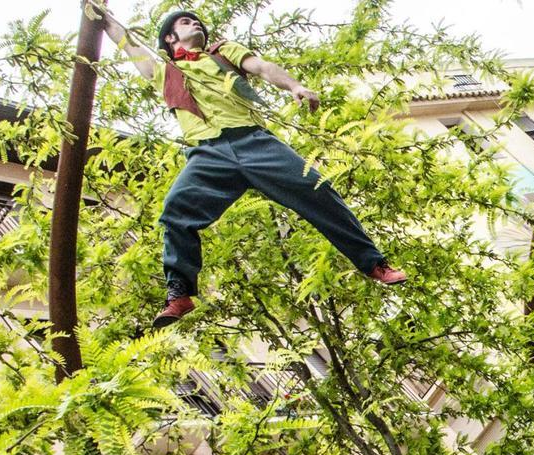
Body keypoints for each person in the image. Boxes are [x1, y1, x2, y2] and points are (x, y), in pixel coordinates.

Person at [90, 5, 407, 327]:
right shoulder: (164, 71)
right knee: (175, 212)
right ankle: (180, 293)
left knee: (318, 189)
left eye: (198, 20)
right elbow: (127, 42)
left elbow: (263, 67)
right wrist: (102, 14)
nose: (195, 23)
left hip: (254, 142)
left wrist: (295, 86)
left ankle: (373, 263)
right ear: (170, 38)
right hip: (208, 153)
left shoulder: (223, 52)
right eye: (186, 21)